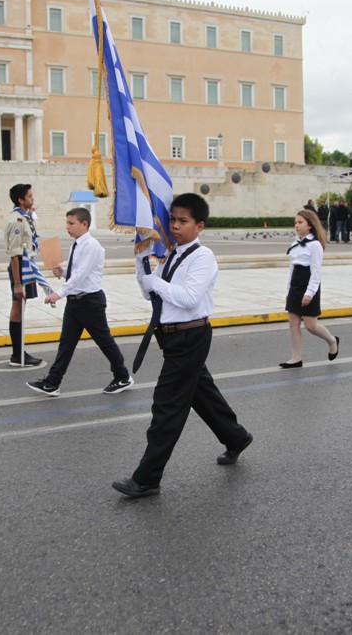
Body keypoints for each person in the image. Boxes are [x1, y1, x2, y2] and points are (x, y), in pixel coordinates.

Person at [112, 193, 253, 499]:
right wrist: (142, 266)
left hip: (190, 336)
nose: (174, 226)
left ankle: (147, 479)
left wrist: (156, 283)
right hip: (172, 336)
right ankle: (236, 437)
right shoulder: (173, 254)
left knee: (168, 405)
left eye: (182, 221)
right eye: (173, 219)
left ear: (199, 226)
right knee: (201, 393)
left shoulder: (203, 257)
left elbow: (188, 298)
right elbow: (152, 294)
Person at [26, 207, 134, 396]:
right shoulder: (78, 244)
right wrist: (63, 272)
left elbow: (81, 275)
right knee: (66, 344)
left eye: (71, 223)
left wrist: (58, 294)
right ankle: (53, 383)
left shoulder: (91, 245)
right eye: (67, 223)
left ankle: (123, 376)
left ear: (84, 224)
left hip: (90, 302)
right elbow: (77, 273)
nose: (67, 227)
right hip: (76, 302)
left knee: (104, 341)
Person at [279, 209, 340, 369]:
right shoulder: (295, 244)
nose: (296, 225)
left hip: (308, 287)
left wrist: (309, 293)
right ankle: (296, 358)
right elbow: (292, 270)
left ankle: (332, 340)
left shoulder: (315, 245)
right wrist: (288, 291)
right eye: (295, 222)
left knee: (311, 325)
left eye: (300, 222)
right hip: (295, 287)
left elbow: (316, 272)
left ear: (310, 225)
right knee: (293, 323)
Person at [5, 183, 52, 368]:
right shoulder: (16, 221)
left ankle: (19, 351)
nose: (33, 199)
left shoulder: (25, 217)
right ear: (20, 200)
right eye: (30, 197)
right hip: (20, 268)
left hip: (27, 266)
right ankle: (17, 354)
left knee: (21, 308)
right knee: (18, 307)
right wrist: (17, 284)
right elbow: (15, 254)